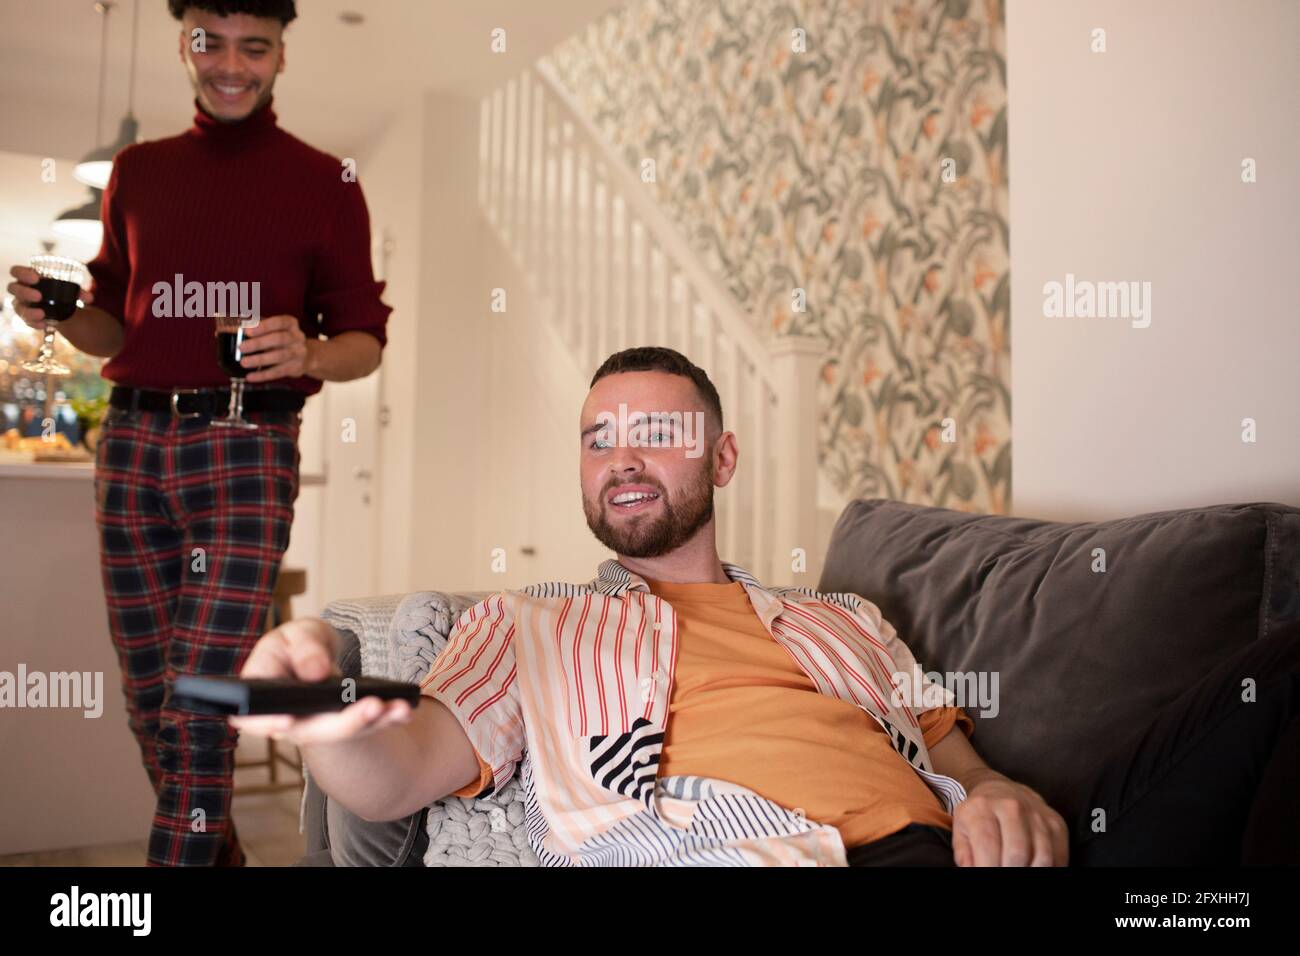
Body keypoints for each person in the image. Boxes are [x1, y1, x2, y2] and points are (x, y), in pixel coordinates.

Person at [236, 347, 1299, 866]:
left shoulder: (843, 616)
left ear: (722, 456)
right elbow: (399, 772)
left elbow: (950, 746)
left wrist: (997, 790)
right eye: (598, 437)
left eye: (655, 433)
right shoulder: (531, 623)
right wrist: (322, 717)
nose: (622, 460)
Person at [6, 0, 390, 866]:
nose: (230, 64)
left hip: (248, 448)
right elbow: (116, 324)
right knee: (151, 702)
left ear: (281, 56)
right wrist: (62, 316)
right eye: (208, 42)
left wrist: (313, 349)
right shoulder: (138, 173)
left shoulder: (326, 180)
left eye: (254, 47)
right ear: (184, 44)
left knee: (197, 705)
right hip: (134, 446)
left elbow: (364, 343)